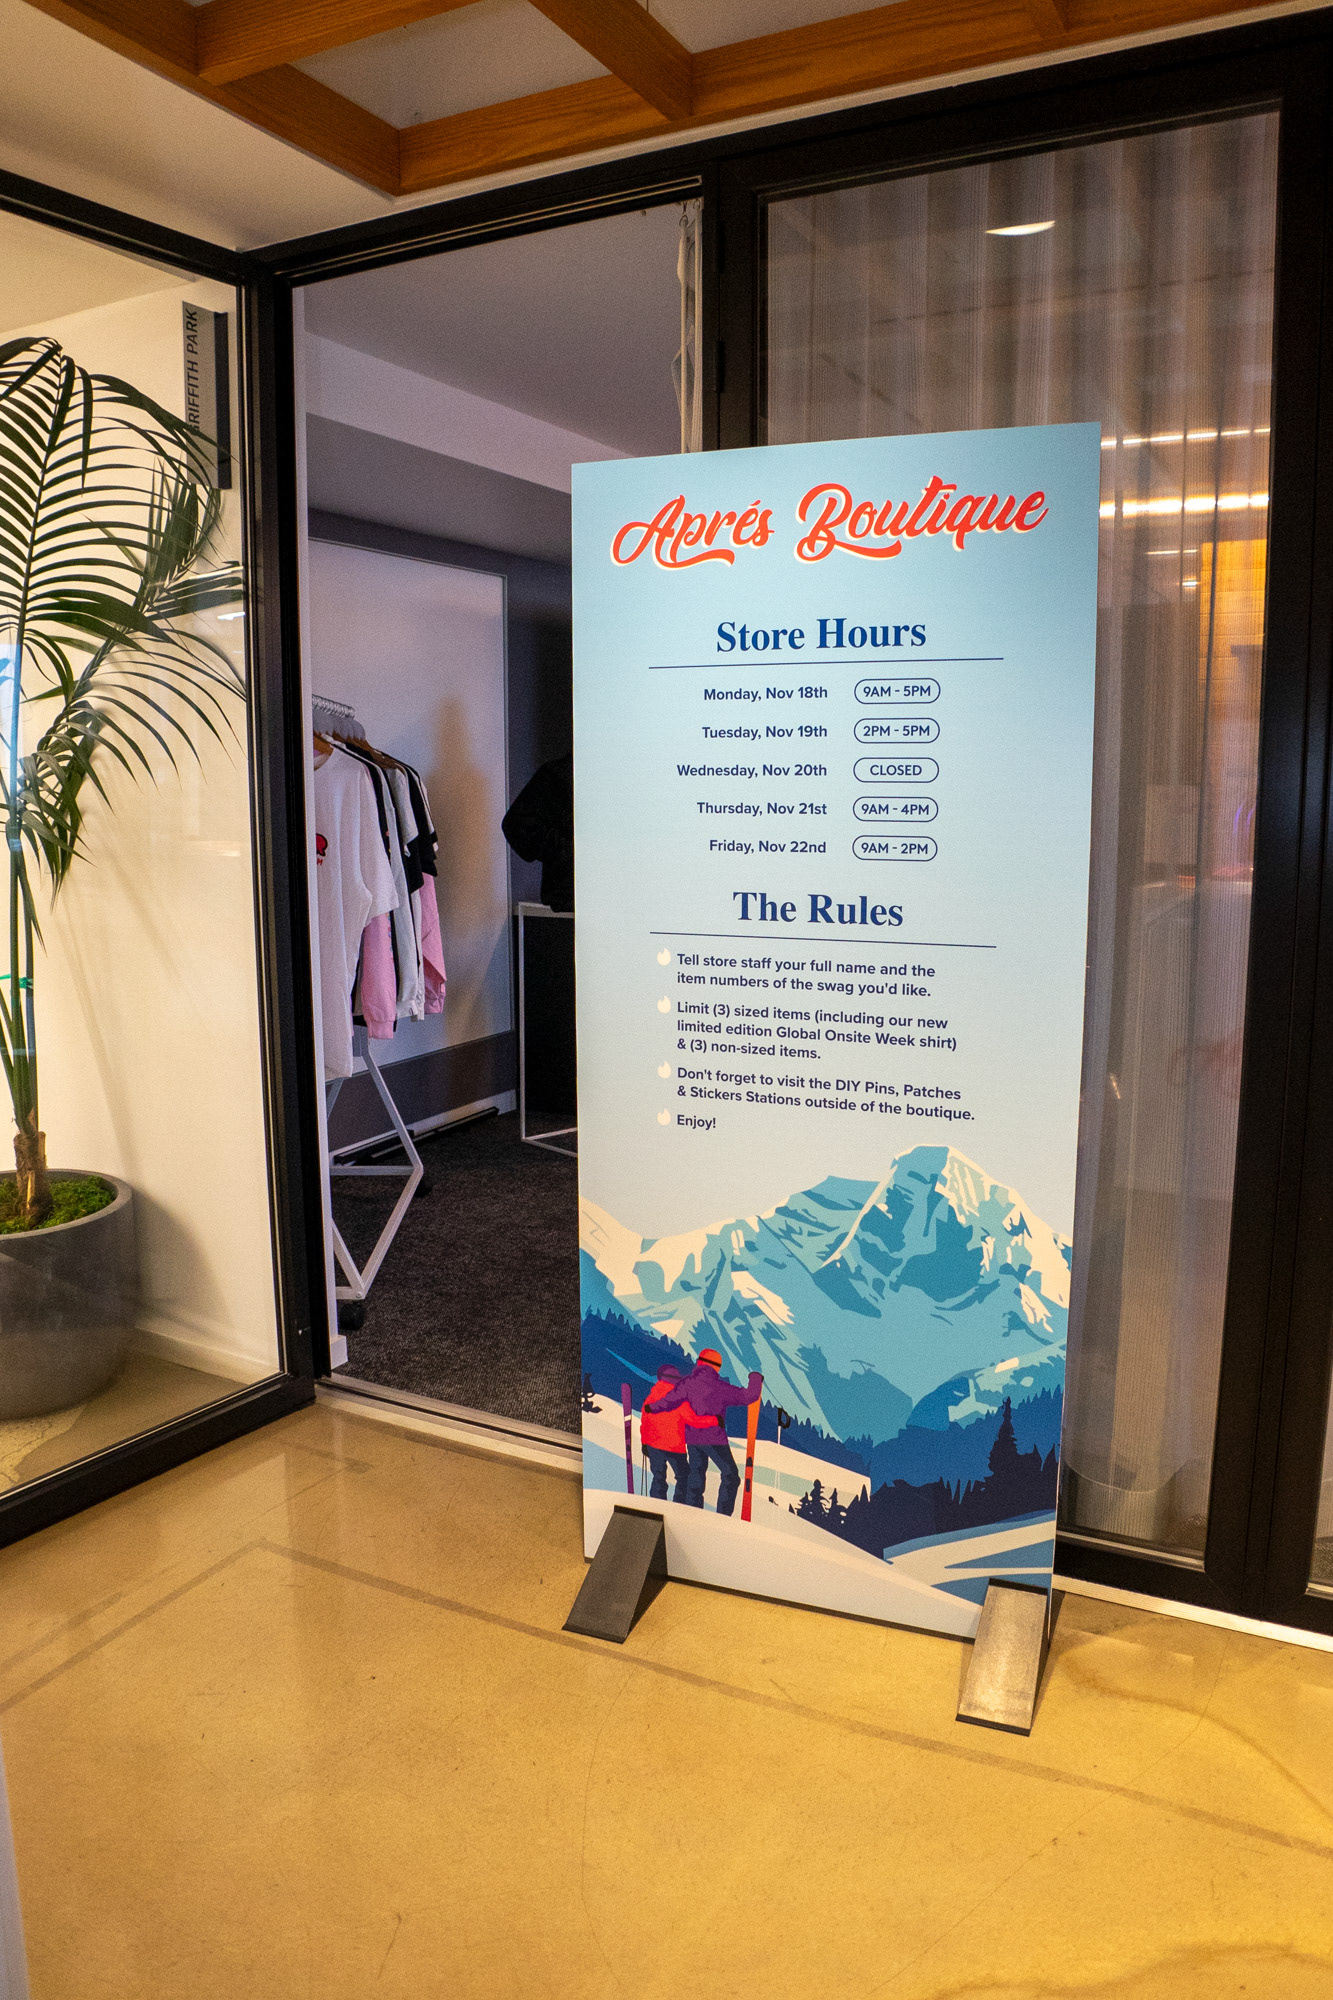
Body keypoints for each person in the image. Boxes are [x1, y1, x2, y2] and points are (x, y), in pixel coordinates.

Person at [649, 1349, 762, 1514]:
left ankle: (692, 1511)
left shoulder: (687, 1383)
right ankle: (723, 1514)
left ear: (699, 1362)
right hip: (714, 1438)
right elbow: (748, 1396)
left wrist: (652, 1407)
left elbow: (670, 1400)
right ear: (717, 1367)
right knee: (730, 1475)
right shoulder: (720, 1387)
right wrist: (755, 1378)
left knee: (696, 1473)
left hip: (693, 1438)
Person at [639, 1364, 690, 1503]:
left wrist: (644, 1443)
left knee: (659, 1475)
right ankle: (679, 1504)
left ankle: (657, 1504)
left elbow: (645, 1422)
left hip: (653, 1443)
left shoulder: (651, 1397)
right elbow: (689, 1418)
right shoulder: (680, 1398)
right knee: (684, 1476)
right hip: (675, 1445)